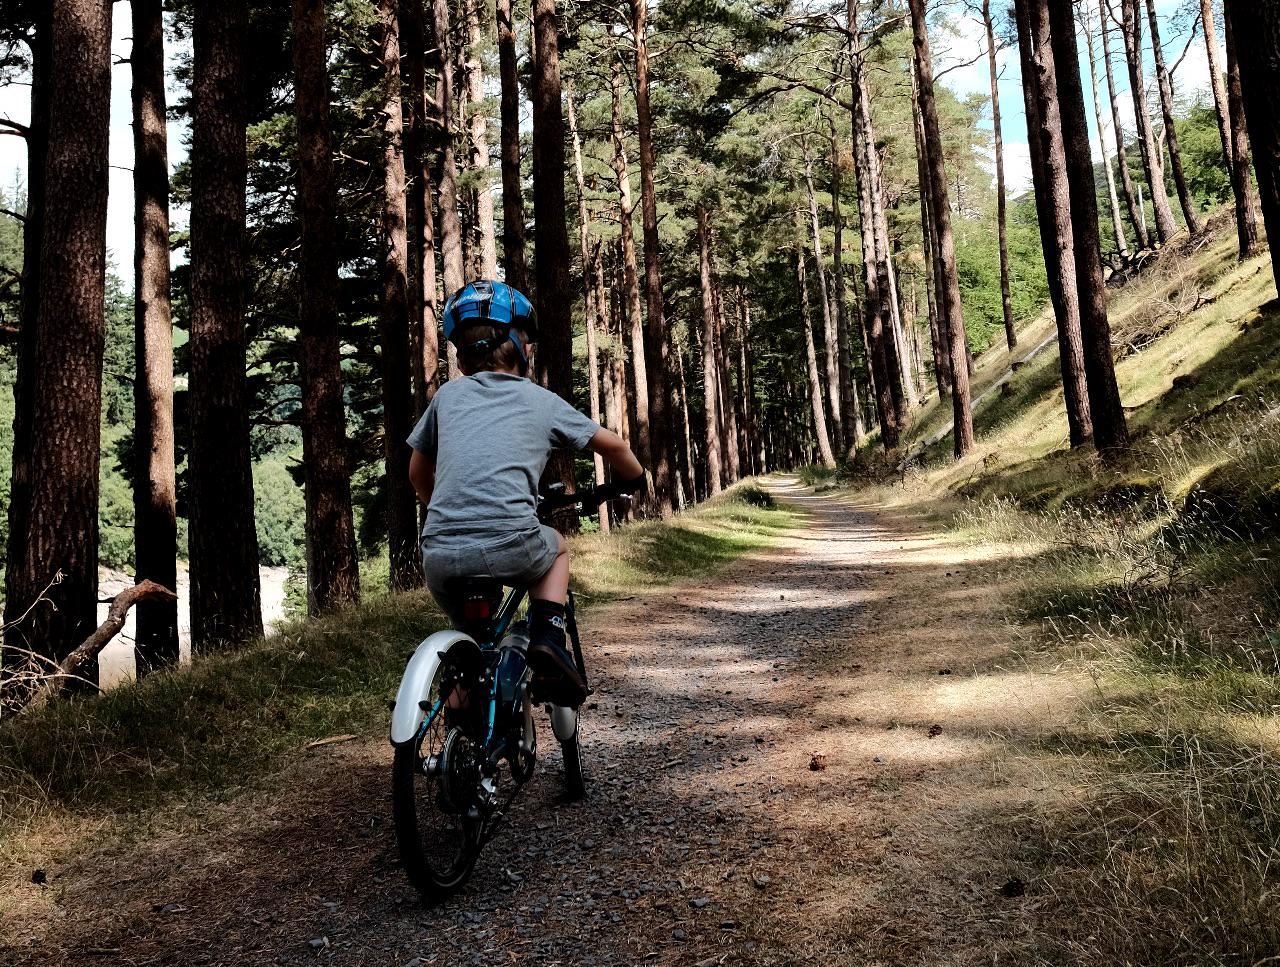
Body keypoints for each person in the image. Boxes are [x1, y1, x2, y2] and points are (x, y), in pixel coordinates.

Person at [406, 280, 645, 707]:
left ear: (463, 354)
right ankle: (549, 635)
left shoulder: (445, 398)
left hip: (440, 554)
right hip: (511, 543)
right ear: (519, 344)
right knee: (555, 548)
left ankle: (460, 714)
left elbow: (417, 471)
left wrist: (445, 510)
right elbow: (613, 446)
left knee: (472, 647)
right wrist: (634, 478)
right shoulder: (539, 400)